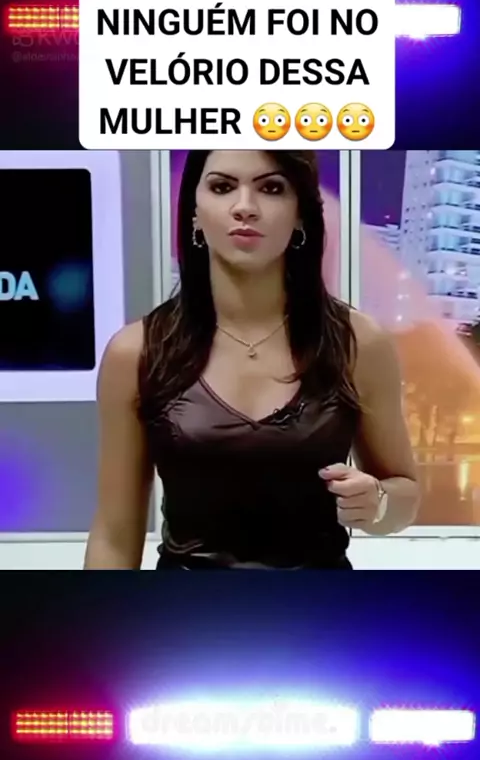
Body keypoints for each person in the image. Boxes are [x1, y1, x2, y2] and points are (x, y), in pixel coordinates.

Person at [85, 149, 420, 570]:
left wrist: (379, 502)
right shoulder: (135, 353)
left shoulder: (358, 343)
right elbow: (114, 536)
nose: (245, 207)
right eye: (222, 187)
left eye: (272, 188)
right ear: (194, 212)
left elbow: (404, 495)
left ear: (300, 214)